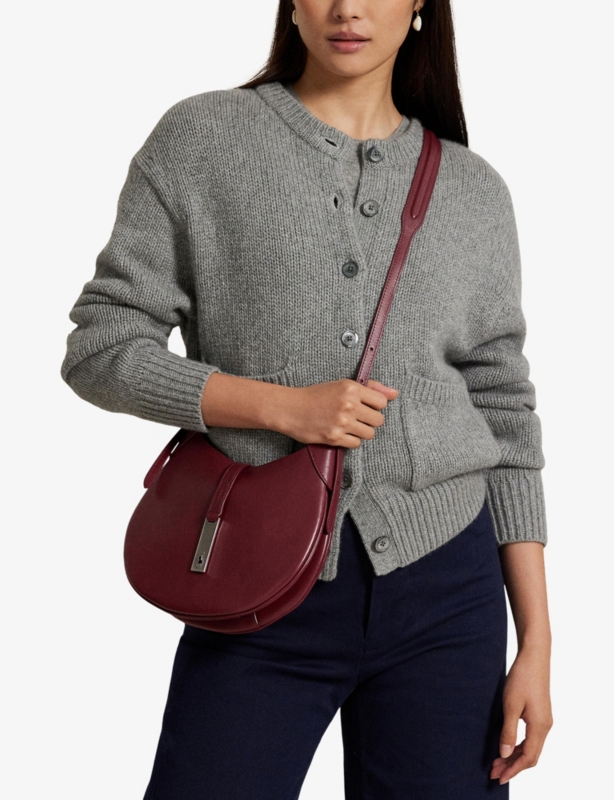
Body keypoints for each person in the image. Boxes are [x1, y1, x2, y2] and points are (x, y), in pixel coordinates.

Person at [60, 0, 553, 797]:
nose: (347, 8)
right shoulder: (204, 139)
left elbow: (505, 413)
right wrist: (280, 408)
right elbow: (102, 348)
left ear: (420, 7)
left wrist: (535, 641)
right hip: (255, 577)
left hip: (448, 594)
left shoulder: (473, 190)